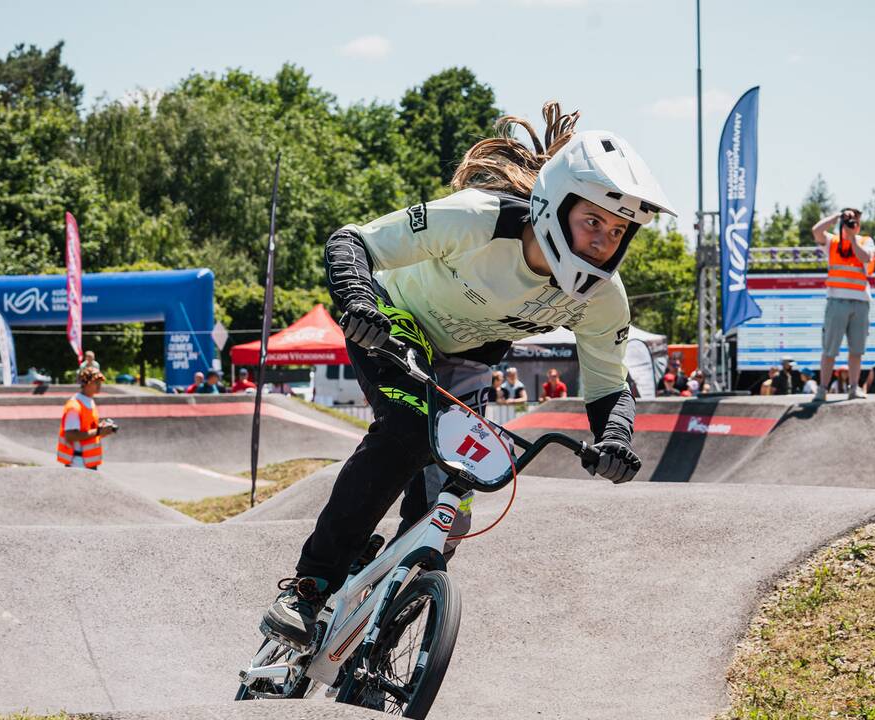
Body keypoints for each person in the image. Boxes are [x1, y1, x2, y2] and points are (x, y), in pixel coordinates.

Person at [259, 103, 674, 649]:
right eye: (592, 220)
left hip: (467, 360)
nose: (603, 240)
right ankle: (307, 590)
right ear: (554, 207)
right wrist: (360, 300)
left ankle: (378, 641)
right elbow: (351, 240)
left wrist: (615, 438)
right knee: (409, 432)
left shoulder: (603, 301)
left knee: (447, 507)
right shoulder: (479, 218)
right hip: (395, 323)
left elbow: (608, 386)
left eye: (618, 230)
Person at [812, 207, 875, 401]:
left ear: (859, 223)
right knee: (829, 348)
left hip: (860, 302)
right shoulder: (833, 241)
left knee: (856, 350)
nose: (851, 222)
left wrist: (852, 236)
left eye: (854, 219)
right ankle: (822, 389)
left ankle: (854, 388)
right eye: (848, 219)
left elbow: (865, 257)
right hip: (836, 301)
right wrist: (836, 217)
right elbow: (816, 230)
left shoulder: (866, 241)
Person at [56, 366, 117, 470]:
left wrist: (102, 430)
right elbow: (70, 436)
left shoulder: (89, 401)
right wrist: (98, 432)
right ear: (86, 384)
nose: (99, 385)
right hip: (77, 463)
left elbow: (88, 430)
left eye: (100, 382)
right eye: (95, 382)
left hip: (88, 462)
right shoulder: (74, 406)